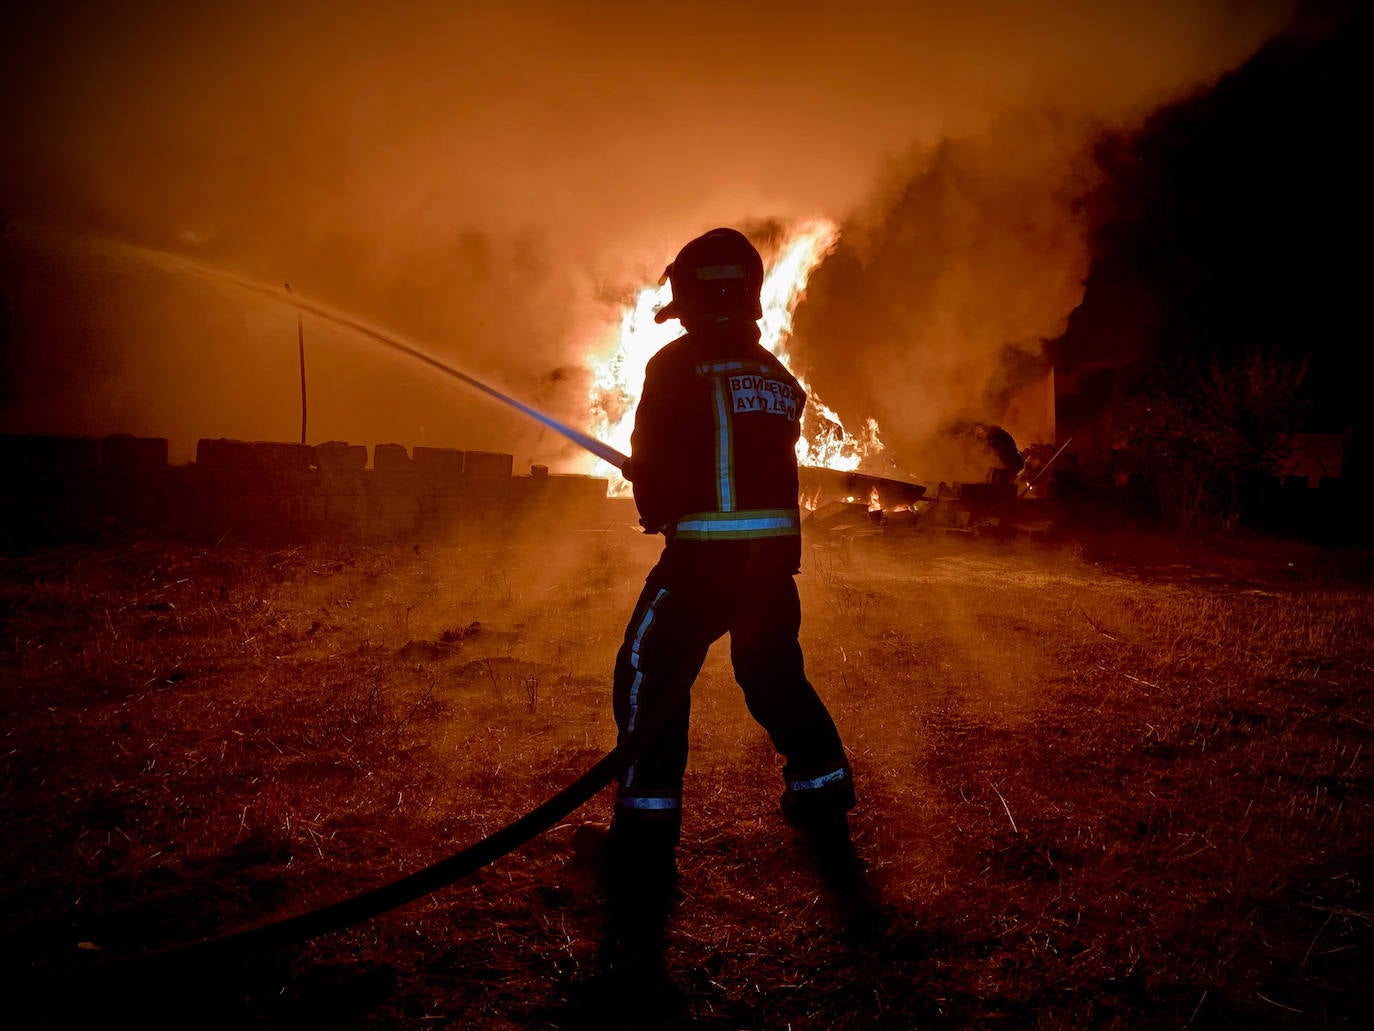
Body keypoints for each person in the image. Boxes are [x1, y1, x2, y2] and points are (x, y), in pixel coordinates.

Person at [606, 227, 856, 898]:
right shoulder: (778, 377)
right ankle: (823, 791)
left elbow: (656, 471)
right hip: (770, 569)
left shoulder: (673, 366)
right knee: (774, 678)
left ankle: (644, 839)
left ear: (689, 297)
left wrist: (653, 495)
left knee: (648, 673)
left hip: (701, 565)